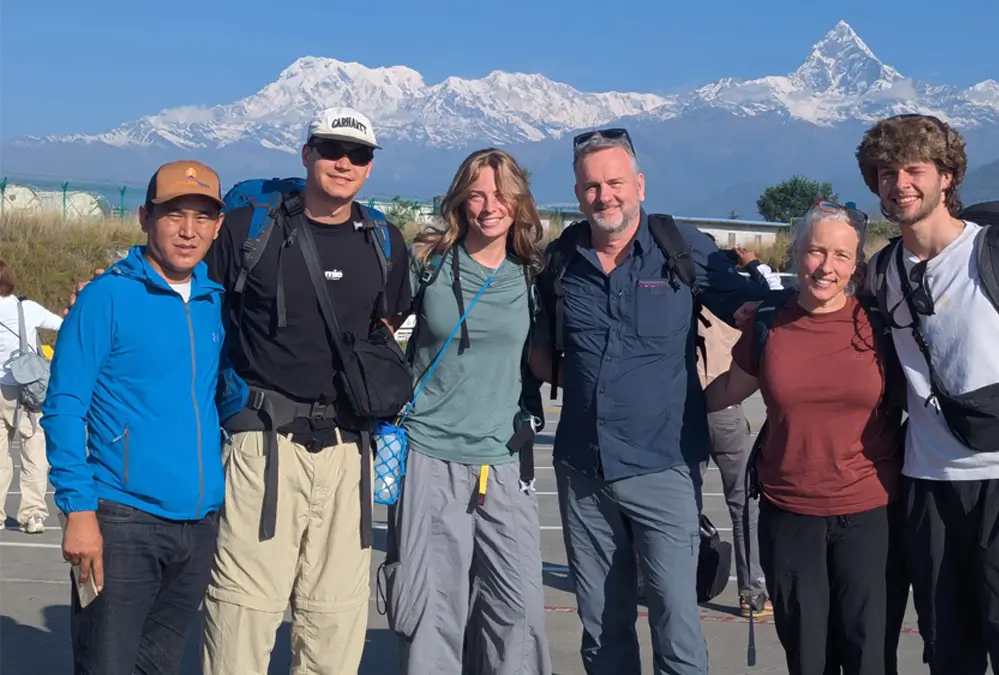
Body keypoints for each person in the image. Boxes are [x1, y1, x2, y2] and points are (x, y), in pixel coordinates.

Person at [528, 127, 775, 675]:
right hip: (582, 469)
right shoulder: (561, 259)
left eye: (614, 182)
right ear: (577, 191)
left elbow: (754, 308)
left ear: (638, 185)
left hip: (664, 466)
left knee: (677, 625)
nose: (603, 196)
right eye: (591, 186)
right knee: (601, 628)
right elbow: (537, 348)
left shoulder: (679, 248)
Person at [855, 113, 999, 674]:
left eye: (914, 169)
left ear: (948, 176)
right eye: (884, 172)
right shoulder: (882, 271)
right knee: (947, 650)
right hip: (928, 488)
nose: (899, 183)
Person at [200, 106, 412, 674]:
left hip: (348, 450)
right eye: (331, 149)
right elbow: (193, 305)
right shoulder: (250, 230)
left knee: (335, 619)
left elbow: (387, 333)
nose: (344, 162)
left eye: (359, 154)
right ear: (306, 154)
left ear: (370, 168)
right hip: (264, 444)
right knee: (243, 612)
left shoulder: (384, 242)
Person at [41, 160, 229, 674]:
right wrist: (79, 512)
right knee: (108, 665)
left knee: (159, 667)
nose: (188, 231)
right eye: (173, 215)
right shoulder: (107, 298)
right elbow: (63, 407)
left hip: (196, 525)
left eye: (201, 217)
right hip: (121, 522)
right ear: (146, 217)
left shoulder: (216, 303)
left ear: (217, 226)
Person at [705, 201, 906, 675]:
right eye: (816, 251)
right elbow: (730, 387)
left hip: (868, 513)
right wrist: (663, 408)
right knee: (807, 657)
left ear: (856, 264)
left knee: (867, 655)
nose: (826, 267)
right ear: (796, 254)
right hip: (789, 513)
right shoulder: (769, 322)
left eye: (840, 255)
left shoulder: (880, 326)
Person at [379, 148, 552, 673]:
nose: (488, 205)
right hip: (430, 456)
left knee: (517, 614)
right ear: (459, 201)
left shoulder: (534, 276)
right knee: (433, 612)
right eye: (476, 194)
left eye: (500, 194)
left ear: (518, 201)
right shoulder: (428, 263)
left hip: (503, 461)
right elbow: (390, 332)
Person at [696, 233, 772, 617]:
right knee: (743, 503)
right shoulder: (736, 296)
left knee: (680, 503)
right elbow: (769, 289)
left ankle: (676, 579)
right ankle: (751, 591)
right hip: (725, 403)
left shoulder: (683, 294)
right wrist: (749, 262)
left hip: (687, 406)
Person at [0, 261, 61, 534]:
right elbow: (63, 325)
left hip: (1, 389)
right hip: (30, 390)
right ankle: (33, 514)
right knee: (34, 451)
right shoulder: (28, 309)